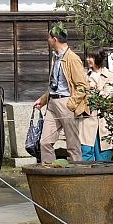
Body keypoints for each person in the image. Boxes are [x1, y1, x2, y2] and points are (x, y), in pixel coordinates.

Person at [34, 27, 89, 165]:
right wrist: (43, 100)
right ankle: (50, 175)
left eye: (49, 38)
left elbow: (83, 86)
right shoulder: (56, 57)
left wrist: (71, 104)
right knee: (45, 142)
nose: (48, 40)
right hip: (53, 102)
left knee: (72, 144)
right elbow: (55, 84)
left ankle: (77, 176)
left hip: (66, 103)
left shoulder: (72, 58)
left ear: (55, 39)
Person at [78, 49, 113, 162]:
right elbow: (79, 92)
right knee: (86, 151)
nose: (87, 60)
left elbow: (109, 96)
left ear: (97, 58)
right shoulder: (84, 75)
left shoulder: (110, 76)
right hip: (87, 118)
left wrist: (93, 92)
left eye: (90, 57)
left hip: (104, 119)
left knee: (104, 154)